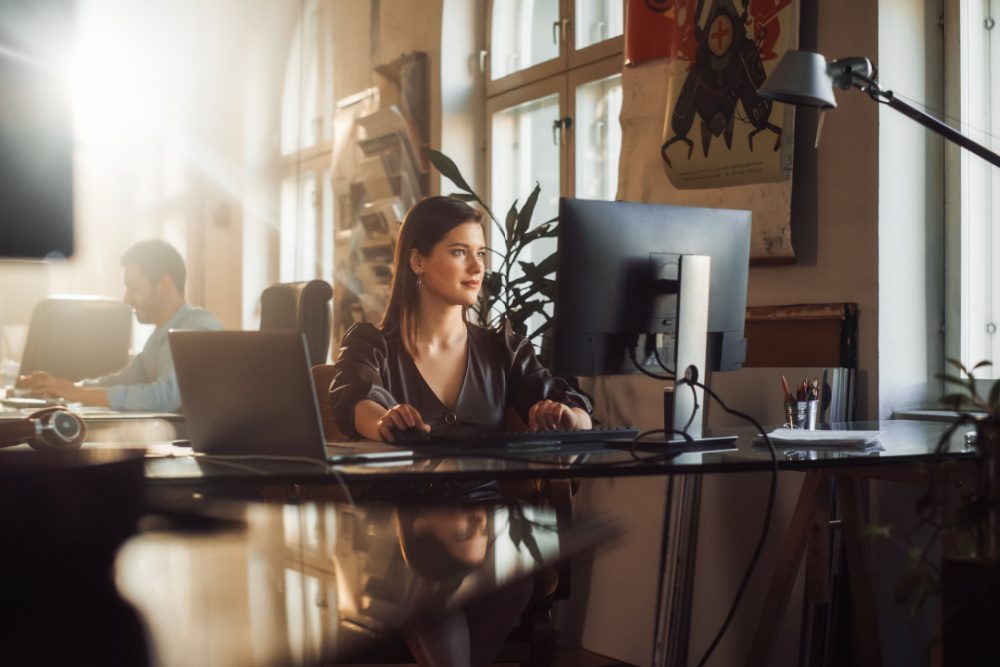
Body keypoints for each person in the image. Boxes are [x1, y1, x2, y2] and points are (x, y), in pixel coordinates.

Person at [329, 195, 592, 443]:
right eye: (459, 252)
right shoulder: (370, 345)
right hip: (397, 492)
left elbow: (577, 410)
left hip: (487, 494)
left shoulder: (503, 349)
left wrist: (571, 418)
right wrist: (382, 423)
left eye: (480, 253)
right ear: (418, 261)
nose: (477, 268)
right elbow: (354, 399)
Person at [18, 240, 221, 411]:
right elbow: (125, 380)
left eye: (133, 287)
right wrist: (63, 387)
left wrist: (78, 393)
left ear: (164, 285)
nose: (126, 300)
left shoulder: (197, 327)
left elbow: (166, 396)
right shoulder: (158, 339)